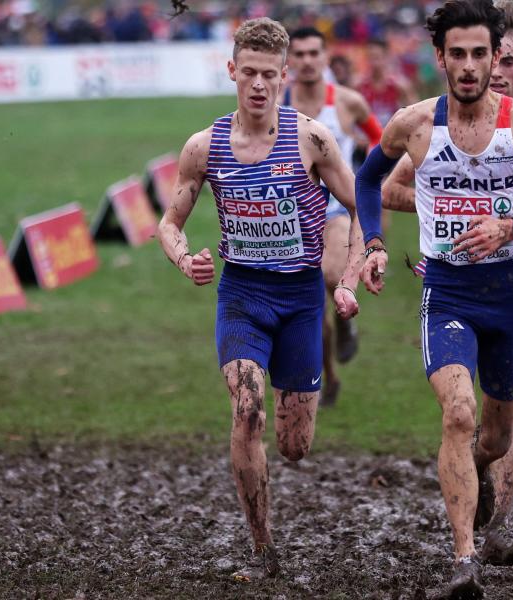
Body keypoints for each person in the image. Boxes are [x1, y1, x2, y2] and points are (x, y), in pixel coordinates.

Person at [355, 1, 513, 596]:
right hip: (448, 291)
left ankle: (479, 473)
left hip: (511, 292)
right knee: (458, 413)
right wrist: (376, 244)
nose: (468, 66)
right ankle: (464, 563)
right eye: (457, 54)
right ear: (439, 58)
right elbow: (366, 181)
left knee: (496, 436)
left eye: (479, 55)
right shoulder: (413, 124)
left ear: (497, 59)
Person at [156, 17, 364, 581]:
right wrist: (185, 258)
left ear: (284, 76)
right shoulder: (204, 147)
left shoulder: (312, 139)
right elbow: (169, 223)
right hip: (242, 295)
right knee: (246, 414)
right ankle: (261, 545)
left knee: (294, 444)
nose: (257, 85)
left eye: (268, 75)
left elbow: (360, 206)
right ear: (232, 71)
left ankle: (291, 436)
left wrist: (350, 274)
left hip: (300, 301)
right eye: (247, 72)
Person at [279, 26, 384, 406]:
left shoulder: (347, 102)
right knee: (307, 310)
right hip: (288, 220)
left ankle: (344, 324)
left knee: (329, 275)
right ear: (290, 62)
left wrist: (370, 184)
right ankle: (329, 373)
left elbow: (381, 141)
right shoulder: (276, 102)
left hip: (336, 210)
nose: (307, 61)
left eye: (314, 53)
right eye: (300, 54)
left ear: (326, 58)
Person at [357, 37, 418, 126]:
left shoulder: (400, 85)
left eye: (376, 57)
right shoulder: (359, 85)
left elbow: (416, 114)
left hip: (393, 136)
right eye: (370, 58)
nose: (373, 62)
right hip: (369, 138)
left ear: (386, 57)